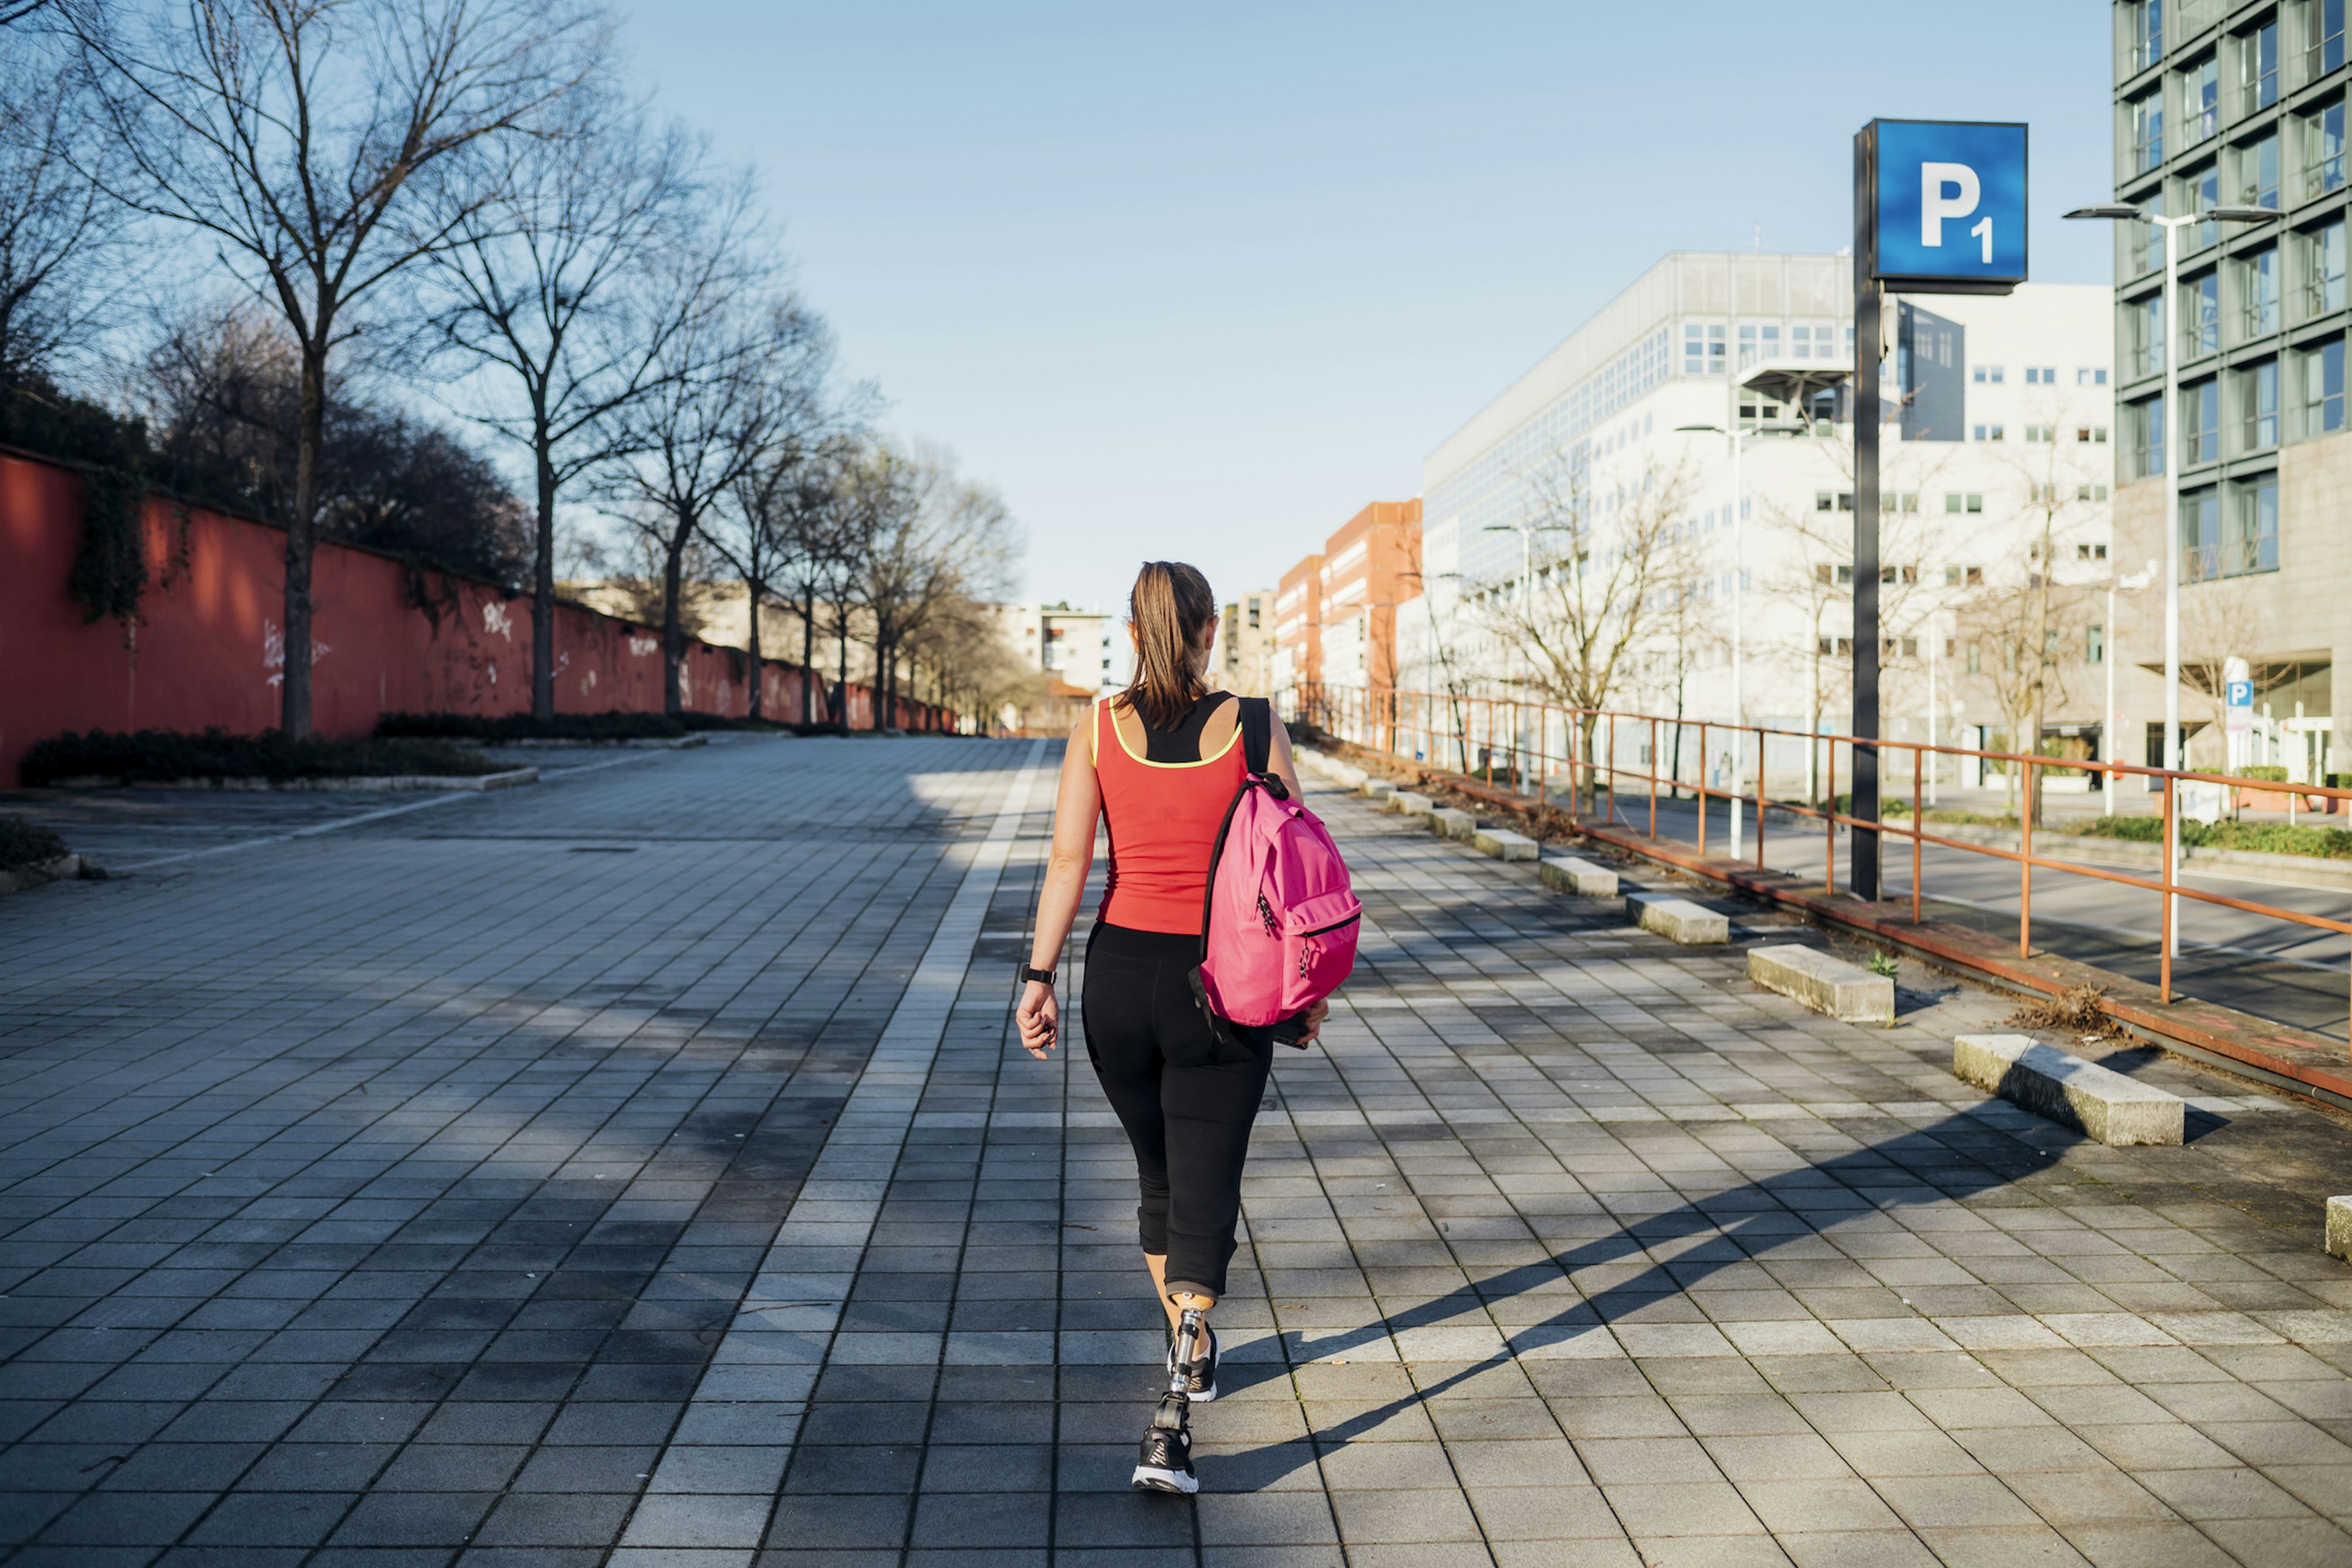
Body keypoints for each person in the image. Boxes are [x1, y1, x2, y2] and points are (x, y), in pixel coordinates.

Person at [1015, 560, 1329, 1495]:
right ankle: (1173, 1415)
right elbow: (1300, 869)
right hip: (1224, 987)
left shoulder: (1096, 729)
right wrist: (1309, 994)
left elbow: (1070, 860)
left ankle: (1187, 1340)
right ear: (1207, 629)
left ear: (1133, 628)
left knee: (1160, 1178)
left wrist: (1038, 977)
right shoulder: (1257, 727)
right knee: (1207, 1190)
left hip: (1117, 984)